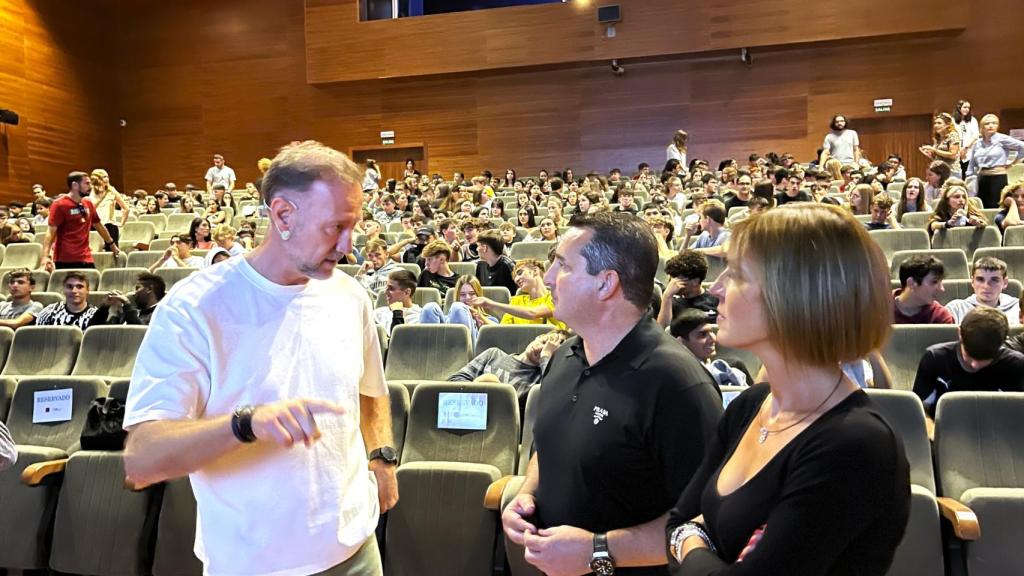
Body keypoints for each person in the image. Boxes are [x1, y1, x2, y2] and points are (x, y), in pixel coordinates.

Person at [123, 140, 396, 576]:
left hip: (357, 552)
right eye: (335, 227)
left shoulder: (350, 295)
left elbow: (370, 389)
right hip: (251, 564)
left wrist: (382, 457)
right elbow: (143, 459)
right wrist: (245, 424)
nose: (349, 245)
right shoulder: (193, 307)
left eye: (354, 226)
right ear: (283, 215)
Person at [666, 202, 909, 574]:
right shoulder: (751, 405)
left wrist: (692, 538)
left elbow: (684, 532)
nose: (716, 289)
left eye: (736, 274)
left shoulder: (855, 443)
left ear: (795, 294)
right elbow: (677, 521)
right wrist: (690, 535)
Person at [502, 212, 722, 576]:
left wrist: (597, 550)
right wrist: (527, 494)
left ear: (606, 284)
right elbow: (550, 447)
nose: (549, 278)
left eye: (563, 266)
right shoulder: (563, 357)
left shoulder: (677, 384)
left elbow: (704, 523)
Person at [913, 307, 1024, 420]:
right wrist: (933, 429)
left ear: (1002, 343)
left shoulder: (1016, 365)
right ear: (960, 333)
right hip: (943, 425)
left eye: (985, 359)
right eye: (969, 356)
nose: (974, 365)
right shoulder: (935, 358)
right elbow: (919, 410)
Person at [448, 330, 570, 399]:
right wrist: (480, 389)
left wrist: (546, 357)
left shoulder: (540, 379)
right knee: (488, 379)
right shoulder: (493, 354)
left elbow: (552, 397)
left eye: (547, 350)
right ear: (538, 337)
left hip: (504, 427)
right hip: (467, 414)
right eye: (543, 342)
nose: (540, 348)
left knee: (489, 379)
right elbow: (453, 382)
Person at [40, 171, 121, 271]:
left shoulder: (88, 203)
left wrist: (112, 244)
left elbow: (99, 226)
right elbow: (50, 232)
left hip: (86, 257)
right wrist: (45, 257)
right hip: (65, 259)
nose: (90, 186)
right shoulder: (59, 205)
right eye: (86, 183)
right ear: (75, 185)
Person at [470, 258, 565, 329]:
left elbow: (533, 313)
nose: (516, 279)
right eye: (514, 277)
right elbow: (502, 329)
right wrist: (480, 316)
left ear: (535, 271)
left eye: (520, 273)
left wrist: (492, 304)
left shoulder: (555, 297)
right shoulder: (516, 301)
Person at [670, 309, 749, 387]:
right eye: (703, 334)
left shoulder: (734, 365)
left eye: (711, 332)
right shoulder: (679, 378)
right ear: (681, 342)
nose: (713, 339)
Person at [966, 114, 1024, 208]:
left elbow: (1022, 147)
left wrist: (1013, 163)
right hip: (982, 177)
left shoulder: (1002, 139)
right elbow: (972, 163)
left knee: (996, 205)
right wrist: (968, 177)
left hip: (998, 177)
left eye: (994, 123)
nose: (991, 125)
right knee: (982, 206)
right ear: (982, 126)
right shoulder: (978, 143)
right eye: (987, 123)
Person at [419, 275, 498, 341]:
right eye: (462, 294)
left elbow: (498, 336)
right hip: (442, 349)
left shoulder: (489, 319)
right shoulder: (447, 318)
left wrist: (480, 321)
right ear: (457, 296)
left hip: (471, 351)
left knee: (458, 307)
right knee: (430, 308)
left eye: (472, 293)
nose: (467, 298)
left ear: (478, 295)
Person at [945, 256, 1020, 325]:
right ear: (972, 281)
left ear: (1005, 282)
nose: (986, 286)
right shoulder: (956, 309)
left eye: (994, 280)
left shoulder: (1018, 308)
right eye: (980, 279)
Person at [657, 250, 720, 328]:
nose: (672, 283)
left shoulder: (715, 301)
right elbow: (662, 330)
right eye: (671, 277)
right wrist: (667, 297)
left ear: (695, 281)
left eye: (677, 278)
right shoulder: (669, 300)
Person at [893, 255, 955, 324]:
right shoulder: (883, 308)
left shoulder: (941, 316)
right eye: (934, 282)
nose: (942, 289)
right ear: (911, 283)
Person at [33, 271, 102, 329]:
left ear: (87, 290)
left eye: (79, 287)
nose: (74, 291)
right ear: (64, 289)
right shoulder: (49, 312)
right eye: (69, 287)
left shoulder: (96, 315)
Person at [98, 272, 165, 325]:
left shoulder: (160, 314)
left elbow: (140, 332)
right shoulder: (132, 312)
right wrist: (104, 308)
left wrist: (127, 304)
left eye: (138, 288)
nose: (134, 293)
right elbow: (99, 330)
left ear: (149, 289)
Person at [89, 168, 130, 250]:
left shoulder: (112, 191)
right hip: (93, 225)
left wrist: (121, 223)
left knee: (112, 252)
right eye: (103, 177)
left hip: (109, 225)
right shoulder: (89, 191)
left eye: (107, 176)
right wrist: (102, 197)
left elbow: (126, 209)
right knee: (93, 252)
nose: (106, 179)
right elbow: (90, 208)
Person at [372, 269, 422, 335]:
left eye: (391, 288)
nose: (385, 292)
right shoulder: (378, 313)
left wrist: (397, 313)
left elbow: (399, 339)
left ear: (407, 292)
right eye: (386, 287)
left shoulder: (419, 317)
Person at [920, 113, 962, 178]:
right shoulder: (938, 137)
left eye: (939, 123)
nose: (936, 125)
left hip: (951, 172)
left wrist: (934, 150)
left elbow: (953, 155)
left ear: (947, 125)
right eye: (935, 123)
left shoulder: (953, 135)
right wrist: (930, 155)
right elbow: (939, 157)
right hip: (939, 171)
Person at [474, 230, 517, 295]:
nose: (476, 249)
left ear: (484, 248)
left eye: (478, 246)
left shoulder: (508, 265)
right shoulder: (480, 265)